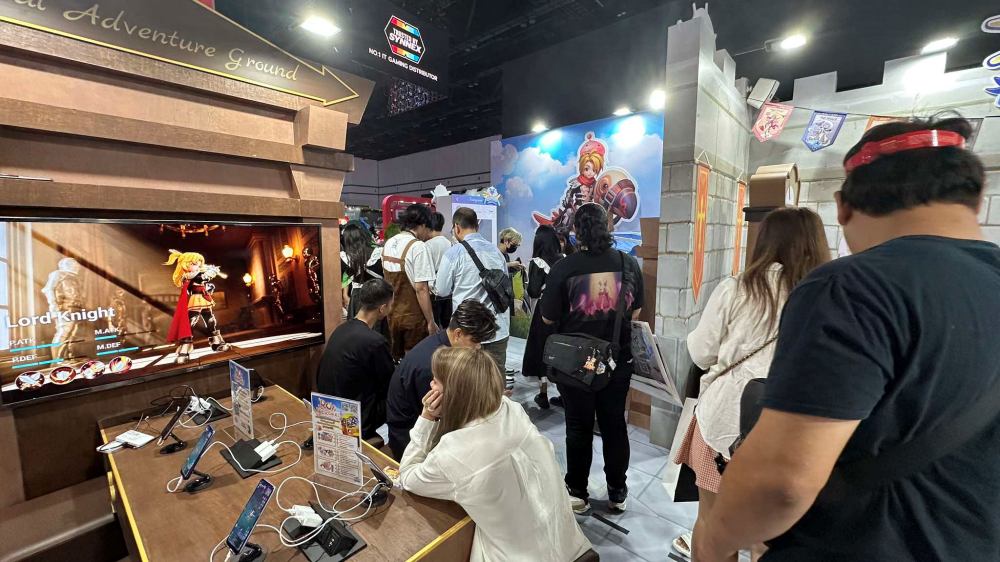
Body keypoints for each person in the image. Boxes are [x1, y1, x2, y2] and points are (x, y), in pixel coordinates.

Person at [694, 116, 1000, 562]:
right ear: (975, 194)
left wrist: (712, 542)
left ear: (842, 207)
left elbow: (782, 482)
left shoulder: (851, 287)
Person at [671, 207, 829, 560]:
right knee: (769, 537)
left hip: (724, 421)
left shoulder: (737, 287)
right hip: (792, 429)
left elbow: (701, 352)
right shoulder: (827, 297)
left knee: (712, 522)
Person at [398, 346, 592, 562]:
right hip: (567, 541)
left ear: (453, 394)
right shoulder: (511, 409)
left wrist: (427, 417)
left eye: (435, 381)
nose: (430, 385)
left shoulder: (454, 451)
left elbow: (407, 476)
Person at [541, 203, 643, 514]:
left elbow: (547, 317)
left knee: (578, 425)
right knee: (614, 425)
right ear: (608, 227)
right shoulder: (628, 264)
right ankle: (617, 491)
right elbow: (636, 312)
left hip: (574, 364)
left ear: (576, 230)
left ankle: (578, 492)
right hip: (617, 361)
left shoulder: (564, 268)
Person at [386, 300, 497, 459]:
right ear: (458, 333)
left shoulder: (442, 343)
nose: (478, 347)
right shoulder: (433, 366)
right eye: (475, 341)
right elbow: (438, 417)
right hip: (410, 439)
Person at [436, 208, 513, 387]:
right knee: (495, 381)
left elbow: (442, 290)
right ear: (477, 226)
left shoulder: (453, 253)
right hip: (498, 328)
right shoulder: (496, 252)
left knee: (468, 383)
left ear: (457, 227)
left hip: (467, 332)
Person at [316, 279, 395, 442]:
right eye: (391, 305)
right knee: (401, 391)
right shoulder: (375, 341)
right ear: (382, 308)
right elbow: (389, 384)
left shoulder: (341, 329)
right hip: (355, 420)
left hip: (329, 410)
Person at [382, 204, 439, 360]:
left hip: (392, 314)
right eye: (428, 229)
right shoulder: (418, 247)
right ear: (422, 225)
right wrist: (430, 321)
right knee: (415, 360)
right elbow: (421, 289)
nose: (428, 234)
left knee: (397, 360)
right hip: (413, 317)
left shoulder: (389, 243)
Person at [522, 225, 564, 409]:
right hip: (563, 311)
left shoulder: (537, 262)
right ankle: (563, 394)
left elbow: (533, 290)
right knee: (561, 349)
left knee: (541, 349)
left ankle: (543, 394)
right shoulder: (564, 259)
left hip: (544, 310)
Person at [340, 221, 384, 320]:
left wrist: (345, 295)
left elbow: (344, 278)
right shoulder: (379, 253)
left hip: (357, 298)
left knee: (359, 326)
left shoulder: (344, 258)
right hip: (378, 295)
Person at [425, 212, 453, 328]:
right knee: (447, 324)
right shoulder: (449, 243)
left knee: (435, 324)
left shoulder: (427, 245)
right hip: (448, 290)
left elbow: (427, 269)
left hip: (432, 291)